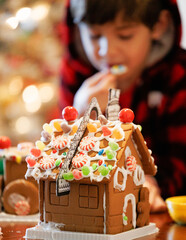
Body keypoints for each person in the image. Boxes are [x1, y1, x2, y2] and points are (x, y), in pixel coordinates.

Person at [59, 0, 186, 212]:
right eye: (95, 36)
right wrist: (79, 115)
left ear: (159, 25)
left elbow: (180, 166)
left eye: (125, 35)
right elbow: (63, 171)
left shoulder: (178, 75)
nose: (108, 52)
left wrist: (151, 185)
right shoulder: (76, 72)